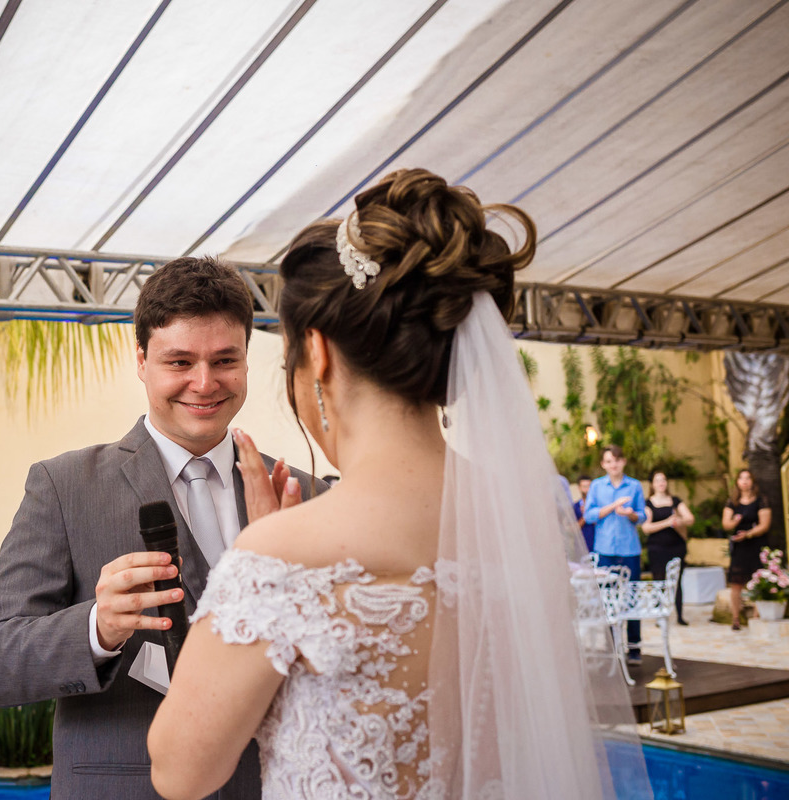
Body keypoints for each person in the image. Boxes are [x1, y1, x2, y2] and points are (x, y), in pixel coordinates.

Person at [149, 169, 650, 799]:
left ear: (318, 353)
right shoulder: (524, 525)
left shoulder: (279, 558)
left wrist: (264, 547)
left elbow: (179, 772)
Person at [0, 256, 325, 799]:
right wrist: (98, 628)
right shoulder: (63, 487)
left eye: (225, 359)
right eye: (179, 361)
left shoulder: (305, 492)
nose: (204, 383)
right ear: (140, 360)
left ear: (248, 361)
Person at [584, 446, 647, 665]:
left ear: (624, 462)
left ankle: (634, 647)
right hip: (605, 551)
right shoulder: (597, 486)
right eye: (609, 461)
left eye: (617, 460)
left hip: (629, 549)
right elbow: (590, 515)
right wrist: (613, 506)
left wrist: (630, 514)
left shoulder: (635, 485)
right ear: (603, 464)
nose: (614, 465)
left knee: (631, 598)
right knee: (607, 600)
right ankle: (612, 646)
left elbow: (642, 516)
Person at [722, 468, 772, 630]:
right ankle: (736, 618)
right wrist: (735, 523)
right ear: (737, 482)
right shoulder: (732, 502)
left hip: (756, 544)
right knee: (736, 583)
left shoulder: (761, 500)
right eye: (741, 478)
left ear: (752, 481)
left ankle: (756, 617)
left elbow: (765, 525)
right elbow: (726, 524)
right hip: (739, 547)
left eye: (748, 478)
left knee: (758, 581)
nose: (744, 481)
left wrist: (749, 534)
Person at [642, 470, 694, 625]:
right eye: (657, 480)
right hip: (657, 547)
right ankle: (660, 615)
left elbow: (690, 518)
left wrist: (679, 521)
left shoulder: (675, 501)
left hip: (676, 546)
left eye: (663, 479)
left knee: (677, 581)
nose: (661, 483)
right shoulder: (648, 503)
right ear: (652, 484)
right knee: (659, 581)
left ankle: (679, 615)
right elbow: (646, 527)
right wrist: (667, 522)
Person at [575, 475, 596, 552]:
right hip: (581, 548)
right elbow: (573, 529)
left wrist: (592, 514)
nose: (587, 489)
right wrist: (585, 516)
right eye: (584, 486)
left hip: (597, 547)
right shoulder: (575, 507)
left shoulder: (598, 506)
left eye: (589, 486)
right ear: (579, 488)